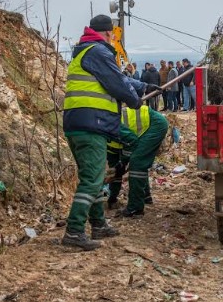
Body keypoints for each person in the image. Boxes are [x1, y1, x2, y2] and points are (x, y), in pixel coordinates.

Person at [62, 14, 155, 251]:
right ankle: (74, 230)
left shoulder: (85, 51)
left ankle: (98, 223)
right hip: (91, 125)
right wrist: (136, 100)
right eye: (113, 36)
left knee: (94, 177)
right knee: (92, 180)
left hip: (81, 124)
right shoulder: (99, 51)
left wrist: (143, 86)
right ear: (108, 34)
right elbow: (116, 83)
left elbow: (118, 78)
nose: (114, 39)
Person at [109, 105, 169, 216]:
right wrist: (112, 197)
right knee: (137, 163)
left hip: (154, 124)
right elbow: (115, 171)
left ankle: (135, 208)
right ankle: (146, 197)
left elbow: (132, 141)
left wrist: (124, 162)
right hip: (145, 127)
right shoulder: (105, 142)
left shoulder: (108, 126)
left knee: (137, 163)